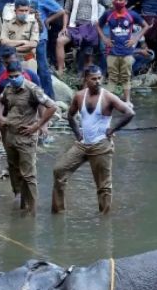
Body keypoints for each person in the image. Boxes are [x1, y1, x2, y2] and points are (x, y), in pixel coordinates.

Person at [51, 65, 135, 214]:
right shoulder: (79, 95)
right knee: (59, 170)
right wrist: (77, 133)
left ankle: (104, 221)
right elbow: (70, 115)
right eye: (93, 79)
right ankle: (59, 212)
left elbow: (129, 113)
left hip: (101, 144)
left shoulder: (108, 96)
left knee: (103, 186)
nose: (97, 81)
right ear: (86, 80)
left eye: (99, 78)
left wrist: (113, 129)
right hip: (83, 144)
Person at [0, 60, 57, 211]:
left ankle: (32, 210)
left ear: (22, 74)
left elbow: (52, 106)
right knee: (14, 169)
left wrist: (37, 125)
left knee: (28, 175)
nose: (13, 79)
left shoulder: (32, 88)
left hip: (26, 137)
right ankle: (19, 199)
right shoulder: (8, 88)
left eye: (16, 76)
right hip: (10, 135)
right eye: (11, 77)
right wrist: (0, 117)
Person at [98, 0, 148, 106]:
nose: (118, 2)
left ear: (125, 2)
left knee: (126, 77)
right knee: (112, 77)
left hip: (127, 52)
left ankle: (127, 101)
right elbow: (97, 25)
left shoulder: (132, 14)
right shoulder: (108, 14)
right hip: (112, 51)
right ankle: (110, 102)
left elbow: (145, 26)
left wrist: (135, 38)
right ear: (113, 0)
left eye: (121, 0)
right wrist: (104, 39)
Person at [57, 0, 111, 74]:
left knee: (87, 55)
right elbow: (66, 11)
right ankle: (60, 71)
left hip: (91, 27)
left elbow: (109, 6)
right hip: (74, 26)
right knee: (60, 41)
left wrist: (103, 20)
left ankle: (85, 76)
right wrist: (64, 27)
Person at [21, 0, 63, 98]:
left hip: (40, 37)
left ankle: (50, 97)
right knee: (26, 66)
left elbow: (60, 11)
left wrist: (48, 20)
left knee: (43, 68)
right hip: (24, 38)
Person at [0, 0, 40, 71]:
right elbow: (4, 42)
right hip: (10, 59)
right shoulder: (7, 23)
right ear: (15, 11)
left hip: (27, 58)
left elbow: (33, 44)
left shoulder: (33, 23)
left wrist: (13, 48)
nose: (24, 13)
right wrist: (23, 42)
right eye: (21, 10)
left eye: (26, 11)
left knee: (31, 79)